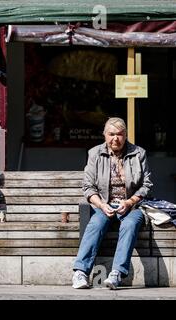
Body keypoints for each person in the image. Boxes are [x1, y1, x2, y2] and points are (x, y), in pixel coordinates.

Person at [72, 117, 153, 290]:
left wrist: (130, 202)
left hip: (132, 207)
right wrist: (101, 205)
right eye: (111, 134)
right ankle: (80, 272)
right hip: (105, 205)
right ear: (104, 135)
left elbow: (146, 185)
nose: (115, 138)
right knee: (95, 223)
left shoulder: (139, 153)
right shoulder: (94, 153)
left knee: (130, 224)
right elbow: (88, 187)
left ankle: (116, 273)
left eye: (120, 134)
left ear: (125, 135)